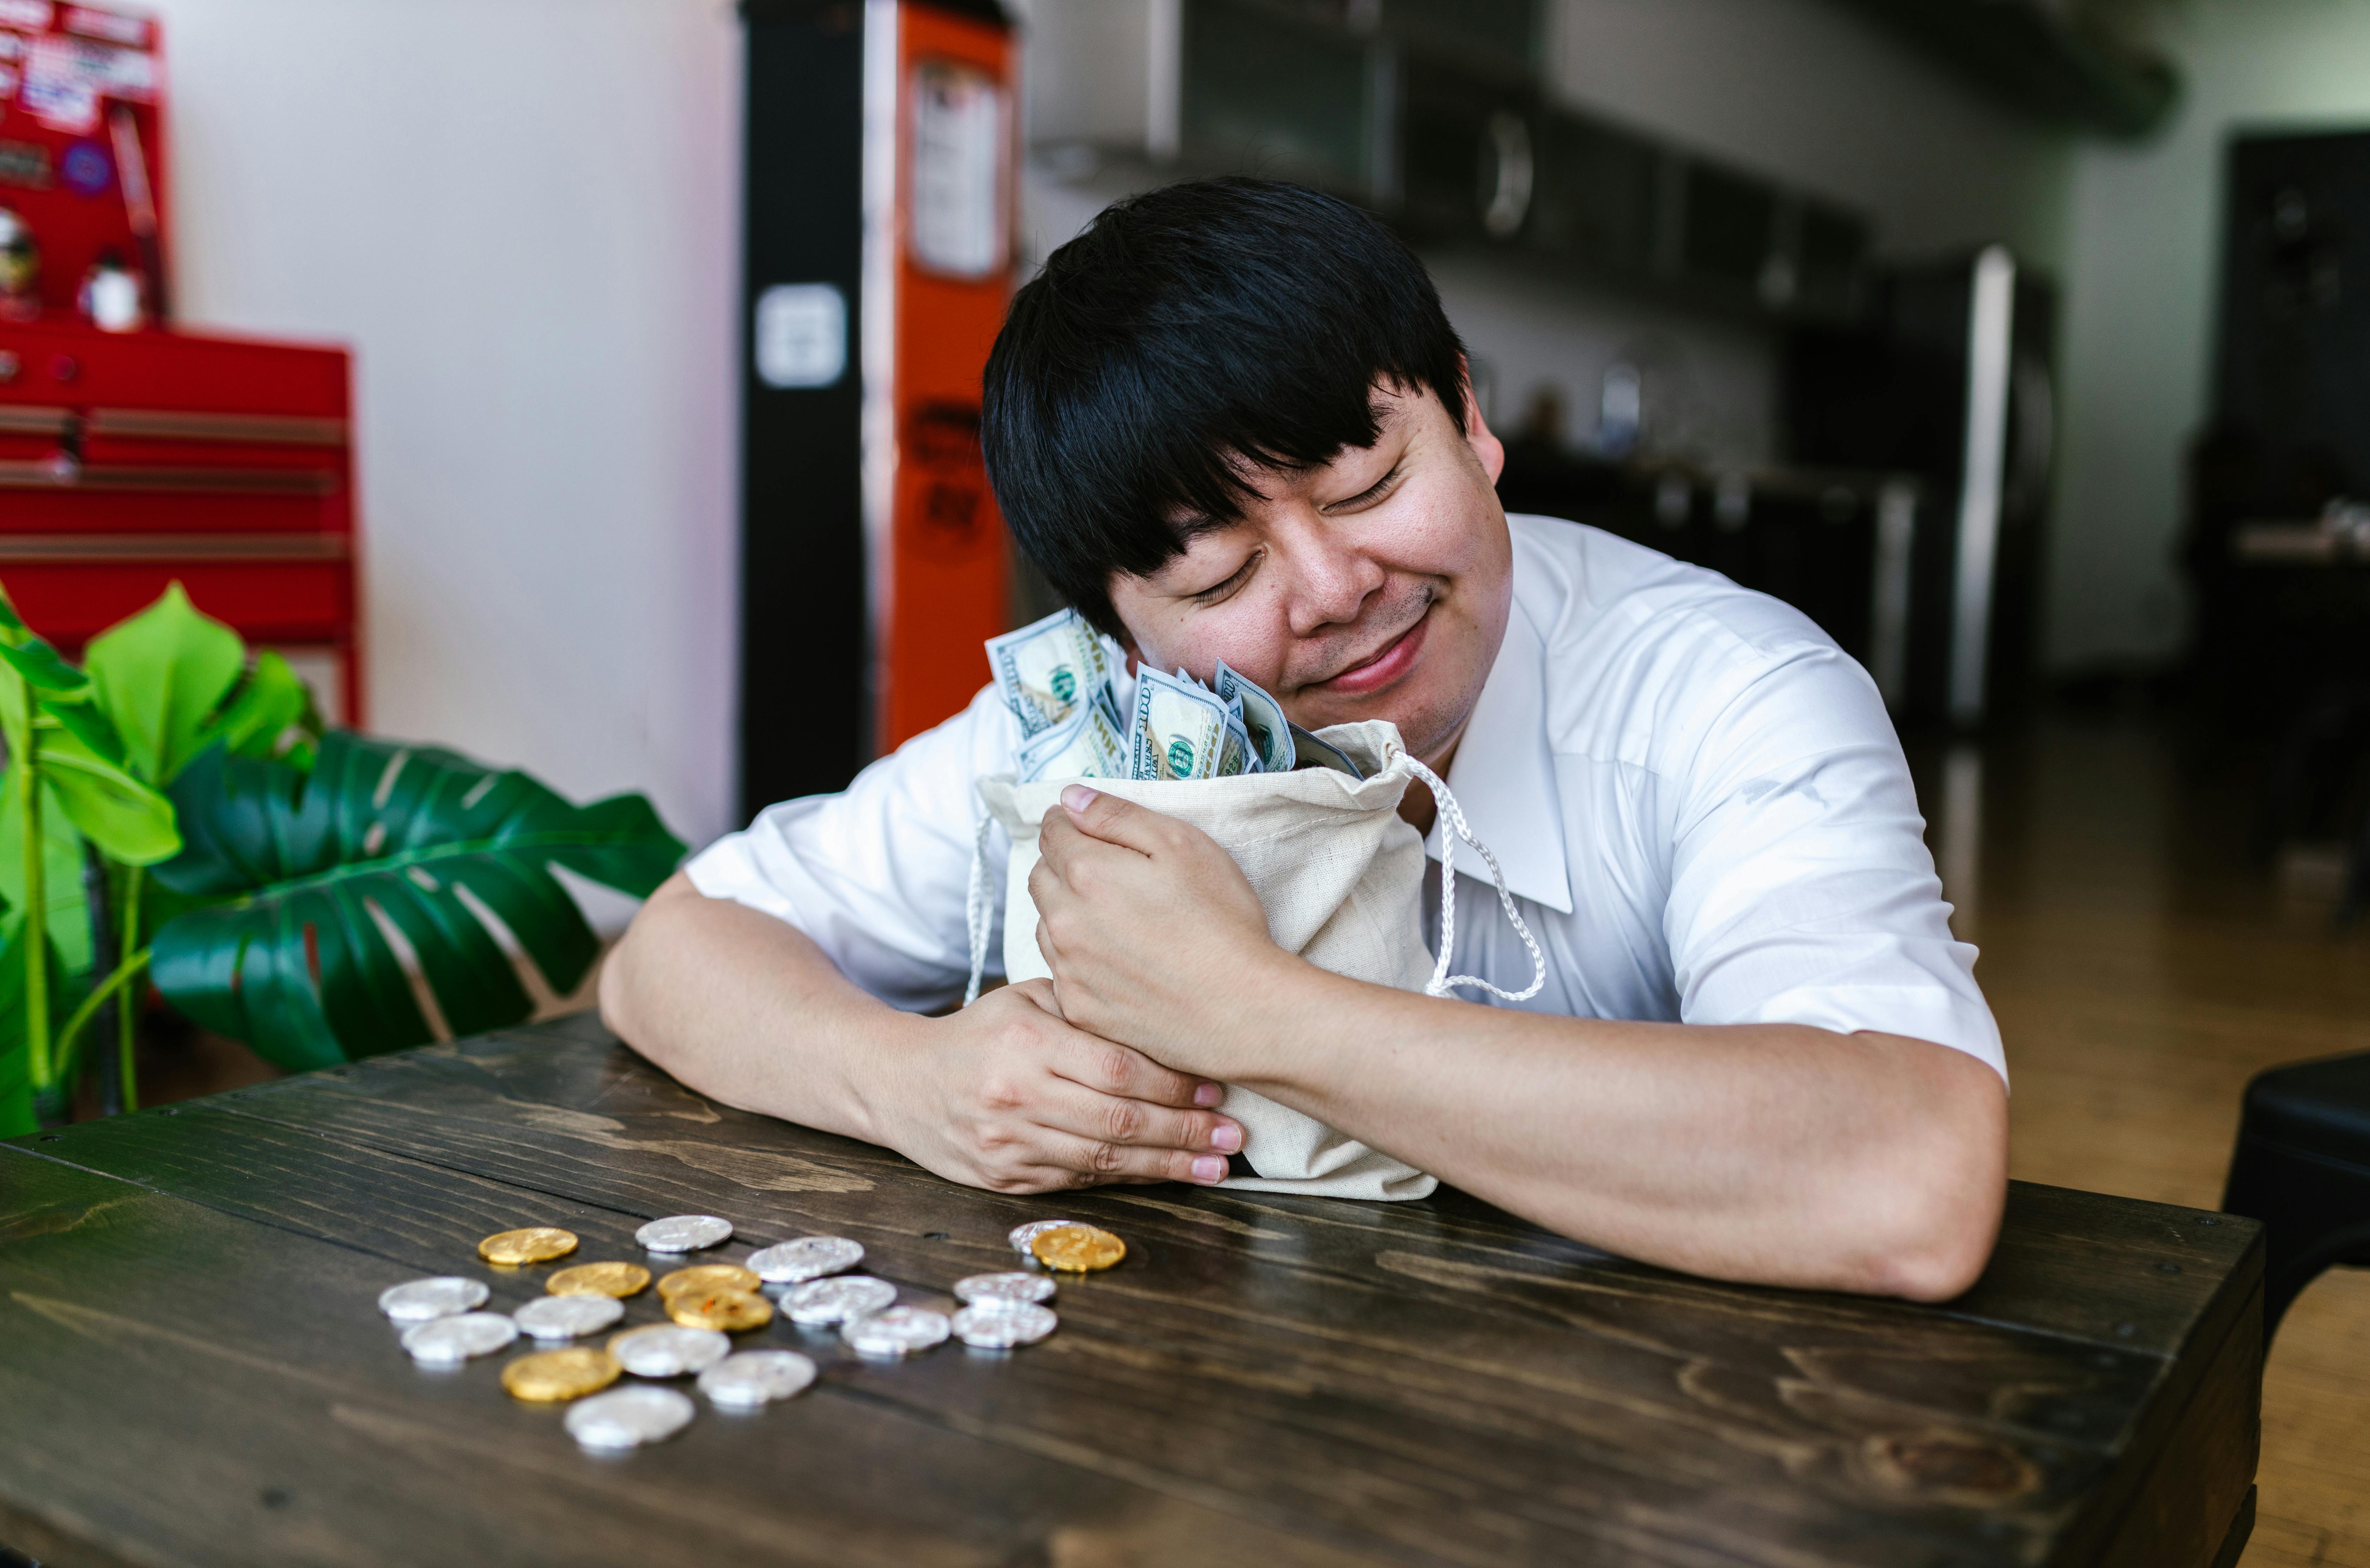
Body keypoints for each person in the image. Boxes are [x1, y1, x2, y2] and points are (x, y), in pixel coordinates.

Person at [602, 178, 2007, 1301]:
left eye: (1370, 481)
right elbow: (670, 952)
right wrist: (916, 1085)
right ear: (1119, 628)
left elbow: (1908, 1181)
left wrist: (1246, 1010)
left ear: (1469, 417)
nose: (1336, 591)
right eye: (1218, 578)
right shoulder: (1109, 733)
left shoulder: (1730, 692)